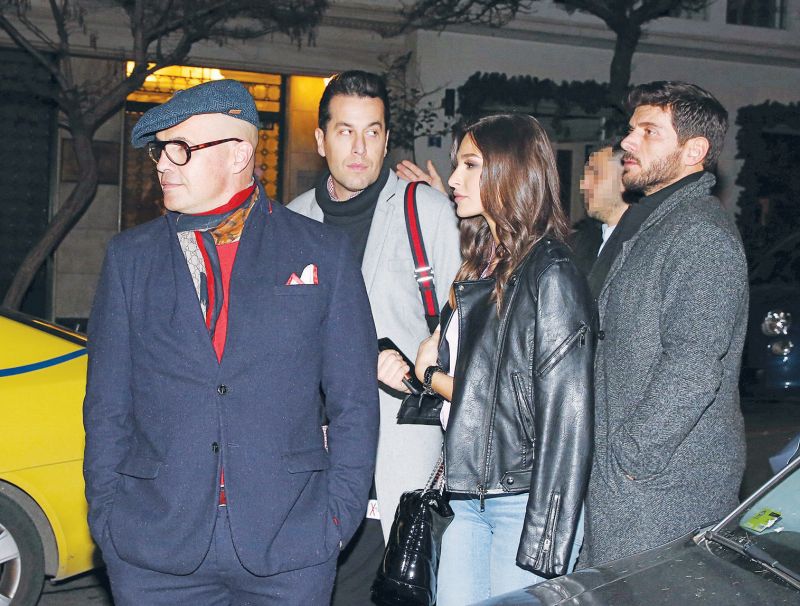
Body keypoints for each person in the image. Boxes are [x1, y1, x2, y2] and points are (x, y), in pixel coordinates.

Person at [83, 79, 379, 605]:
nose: (163, 164)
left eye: (181, 148)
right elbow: (107, 404)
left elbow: (354, 401)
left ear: (239, 153)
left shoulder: (320, 252)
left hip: (291, 545)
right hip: (153, 548)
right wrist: (108, 518)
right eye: (160, 150)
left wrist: (336, 518)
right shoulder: (130, 259)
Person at [385, 113, 595, 604]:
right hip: (467, 494)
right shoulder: (481, 266)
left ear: (511, 170)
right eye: (457, 164)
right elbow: (481, 382)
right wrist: (417, 375)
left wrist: (432, 375)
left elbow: (564, 415)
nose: (454, 179)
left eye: (470, 165)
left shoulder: (551, 271)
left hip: (523, 500)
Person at [287, 70, 461, 604]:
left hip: (398, 463)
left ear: (387, 141)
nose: (359, 148)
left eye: (372, 132)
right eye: (345, 131)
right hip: (311, 467)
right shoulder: (292, 222)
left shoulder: (426, 212)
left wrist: (417, 372)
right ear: (321, 140)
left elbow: (471, 336)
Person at [581, 81, 749, 567]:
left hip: (661, 488)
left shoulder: (701, 235)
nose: (627, 142)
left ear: (694, 151)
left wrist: (631, 456)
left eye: (649, 132)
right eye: (631, 129)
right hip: (628, 484)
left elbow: (693, 367)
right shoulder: (653, 222)